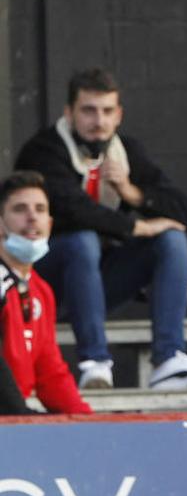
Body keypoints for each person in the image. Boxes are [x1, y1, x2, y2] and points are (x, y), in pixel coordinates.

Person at [15, 69, 187, 391]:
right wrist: (136, 226)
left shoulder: (124, 152)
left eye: (106, 111)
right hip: (44, 282)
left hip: (96, 284)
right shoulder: (44, 151)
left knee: (171, 239)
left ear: (119, 116)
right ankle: (95, 363)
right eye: (88, 110)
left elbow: (184, 211)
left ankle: (169, 358)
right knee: (82, 240)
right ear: (68, 112)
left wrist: (133, 193)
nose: (98, 121)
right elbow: (74, 209)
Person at [0, 172, 91, 416]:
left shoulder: (41, 291)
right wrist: (20, 416)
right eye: (20, 209)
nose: (32, 217)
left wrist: (88, 424)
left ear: (49, 224)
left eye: (40, 209)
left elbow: (49, 372)